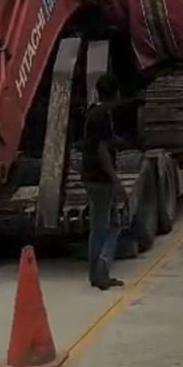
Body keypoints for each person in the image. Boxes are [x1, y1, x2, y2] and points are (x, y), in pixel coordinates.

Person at [81, 73, 127, 290]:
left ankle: (97, 273)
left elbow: (97, 142)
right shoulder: (103, 116)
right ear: (116, 94)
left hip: (89, 176)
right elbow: (101, 150)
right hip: (100, 179)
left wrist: (115, 141)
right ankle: (101, 270)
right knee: (110, 226)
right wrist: (115, 180)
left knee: (99, 226)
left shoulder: (93, 112)